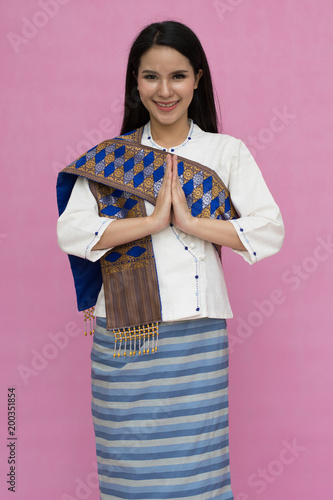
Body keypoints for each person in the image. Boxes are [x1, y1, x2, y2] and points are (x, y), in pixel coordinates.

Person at [57, 20, 284, 500]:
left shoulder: (226, 152)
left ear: (197, 79)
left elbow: (269, 230)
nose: (165, 91)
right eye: (151, 77)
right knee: (127, 472)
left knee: (198, 476)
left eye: (178, 76)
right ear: (135, 83)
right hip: (124, 338)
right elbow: (72, 230)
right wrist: (151, 223)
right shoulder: (111, 160)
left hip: (197, 339)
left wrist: (193, 223)